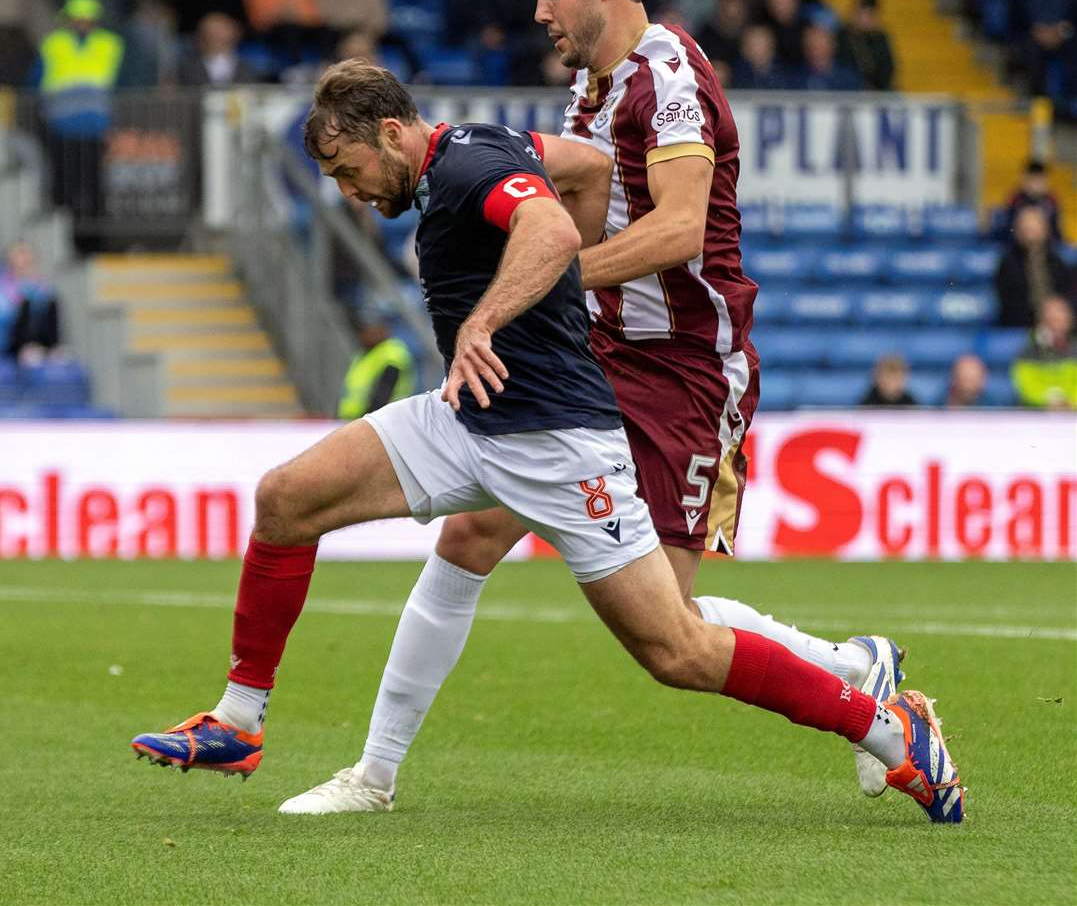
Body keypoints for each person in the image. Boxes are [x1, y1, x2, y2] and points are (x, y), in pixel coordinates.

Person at [130, 59, 962, 827]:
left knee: (673, 648)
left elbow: (553, 233)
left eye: (349, 171)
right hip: (469, 416)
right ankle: (242, 720)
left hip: (559, 446)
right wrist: (556, 324)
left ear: (390, 133)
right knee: (286, 497)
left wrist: (487, 321)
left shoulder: (464, 169)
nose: (349, 190)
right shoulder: (473, 146)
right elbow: (586, 170)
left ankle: (884, 729)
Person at [278, 0, 945, 817]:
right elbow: (577, 199)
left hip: (681, 366)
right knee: (471, 535)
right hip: (597, 353)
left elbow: (675, 231)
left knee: (666, 631)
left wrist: (549, 278)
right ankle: (374, 774)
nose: (540, 11)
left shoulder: (667, 77)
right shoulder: (592, 88)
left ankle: (851, 670)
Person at [35, 0, 124, 227]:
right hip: (62, 128)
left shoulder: (109, 44)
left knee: (93, 186)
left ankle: (92, 240)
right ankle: (65, 238)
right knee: (64, 186)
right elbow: (36, 79)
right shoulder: (55, 44)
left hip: (93, 129)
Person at [1008, 0, 1077, 100]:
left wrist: (1062, 30)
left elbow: (1073, 17)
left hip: (1063, 35)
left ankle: (1071, 101)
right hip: (1032, 37)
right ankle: (1040, 103)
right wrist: (1035, 31)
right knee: (1030, 51)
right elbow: (1014, 22)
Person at [996, 204, 1077, 327]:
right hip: (1024, 326)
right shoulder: (1008, 264)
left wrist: (1057, 313)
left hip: (1059, 325)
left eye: (1034, 227)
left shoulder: (1058, 261)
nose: (1030, 232)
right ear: (1017, 231)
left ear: (1045, 229)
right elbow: (1009, 304)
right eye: (1026, 228)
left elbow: (1068, 294)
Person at [0, 241, 61, 362]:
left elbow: (46, 317)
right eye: (20, 256)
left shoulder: (41, 286)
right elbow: (1, 319)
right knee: (25, 305)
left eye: (28, 259)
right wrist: (22, 297)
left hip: (38, 341)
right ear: (10, 263)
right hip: (7, 343)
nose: (25, 261)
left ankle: (51, 349)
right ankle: (28, 350)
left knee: (51, 303)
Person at [336, 314, 414, 419]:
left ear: (382, 330)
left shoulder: (392, 356)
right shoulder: (366, 352)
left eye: (368, 329)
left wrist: (364, 423)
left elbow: (382, 397)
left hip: (379, 423)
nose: (363, 334)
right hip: (354, 421)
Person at [1012, 293, 1077, 409]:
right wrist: (1048, 401)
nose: (1057, 325)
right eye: (1052, 320)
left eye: (1060, 319)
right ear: (1042, 321)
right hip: (1037, 416)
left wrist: (1069, 402)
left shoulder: (1074, 349)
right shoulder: (1029, 348)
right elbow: (1026, 386)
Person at [176, 11, 255, 87]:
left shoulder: (247, 68)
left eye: (220, 33)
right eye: (211, 33)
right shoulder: (187, 68)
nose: (216, 38)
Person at [695, 0, 749, 85]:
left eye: (736, 2)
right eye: (727, 1)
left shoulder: (753, 33)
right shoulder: (706, 34)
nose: (731, 8)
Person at [838, 0, 895, 91]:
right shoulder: (841, 36)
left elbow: (888, 68)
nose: (865, 18)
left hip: (877, 89)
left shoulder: (880, 38)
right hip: (849, 88)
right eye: (862, 13)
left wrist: (877, 86)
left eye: (870, 14)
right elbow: (838, 67)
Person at [1006, 159, 1063, 240]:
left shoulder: (1052, 201)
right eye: (1033, 180)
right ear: (1025, 180)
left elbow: (1057, 231)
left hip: (1047, 245)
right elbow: (1009, 229)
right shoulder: (1015, 199)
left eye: (1039, 181)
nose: (1036, 185)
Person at [796, 23, 861, 91]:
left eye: (820, 45)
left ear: (833, 45)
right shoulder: (794, 77)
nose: (814, 50)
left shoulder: (848, 78)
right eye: (810, 44)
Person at [730, 24, 787, 90]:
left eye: (762, 44)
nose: (758, 50)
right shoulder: (735, 75)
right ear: (744, 49)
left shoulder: (786, 73)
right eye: (753, 44)